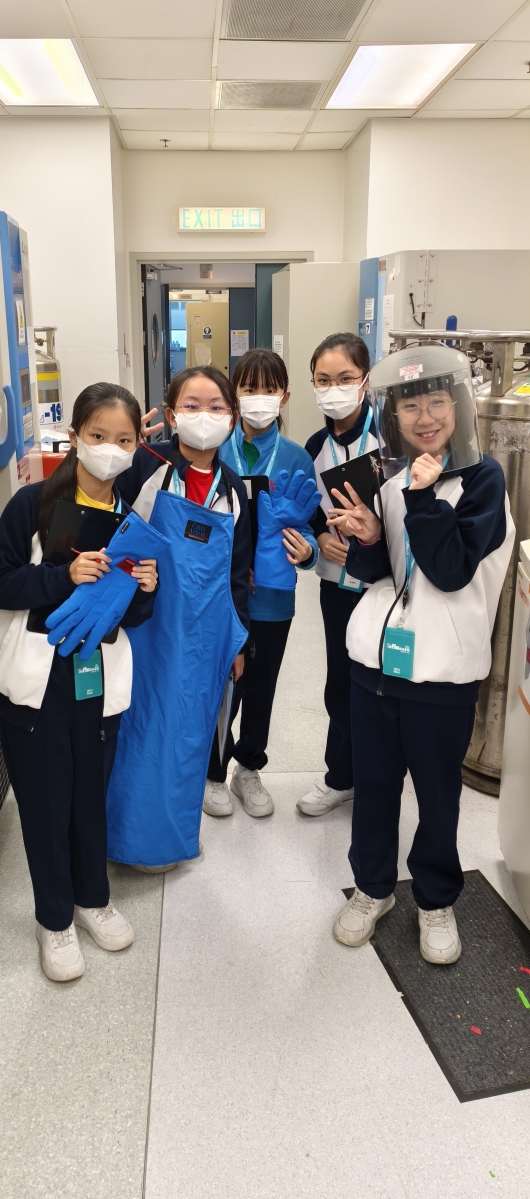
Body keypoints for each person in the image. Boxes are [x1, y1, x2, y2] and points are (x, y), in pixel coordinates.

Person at [329, 343, 514, 964]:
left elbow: (451, 570)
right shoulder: (391, 477)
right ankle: (372, 888)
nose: (425, 417)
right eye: (411, 407)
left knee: (437, 797)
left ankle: (435, 900)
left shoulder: (484, 480)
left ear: (458, 407)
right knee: (374, 788)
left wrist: (423, 498)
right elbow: (381, 571)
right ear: (394, 415)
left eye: (437, 402)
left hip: (441, 675)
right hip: (376, 666)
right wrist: (367, 538)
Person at [0, 383, 159, 983]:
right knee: (45, 803)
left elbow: (133, 616)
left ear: (136, 446)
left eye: (124, 440)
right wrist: (63, 576)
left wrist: (146, 590)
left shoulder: (132, 519)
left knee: (89, 797)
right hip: (37, 684)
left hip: (96, 680)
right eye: (98, 435)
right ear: (75, 435)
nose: (110, 449)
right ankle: (54, 920)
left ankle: (92, 900)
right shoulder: (32, 505)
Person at [110, 365, 251, 871]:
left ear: (232, 418)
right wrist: (121, 447)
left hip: (203, 635)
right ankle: (123, 837)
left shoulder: (233, 490)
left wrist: (238, 642)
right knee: (136, 727)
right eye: (191, 406)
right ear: (171, 415)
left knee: (188, 733)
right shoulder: (143, 467)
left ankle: (169, 839)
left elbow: (238, 573)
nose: (203, 416)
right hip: (143, 623)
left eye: (216, 406)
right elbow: (98, 512)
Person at [203, 347, 318, 819]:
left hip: (272, 598)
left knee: (261, 686)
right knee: (220, 681)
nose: (259, 397)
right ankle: (212, 770)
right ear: (234, 394)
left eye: (269, 389)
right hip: (220, 594)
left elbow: (310, 527)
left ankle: (248, 768)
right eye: (249, 388)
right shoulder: (215, 450)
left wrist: (307, 551)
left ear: (284, 397)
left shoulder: (296, 457)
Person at [297, 333, 378, 818]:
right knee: (340, 683)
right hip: (336, 586)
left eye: (345, 378)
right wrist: (318, 537)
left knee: (378, 686)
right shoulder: (315, 446)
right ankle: (340, 778)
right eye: (324, 380)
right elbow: (307, 509)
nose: (335, 389)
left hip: (384, 587)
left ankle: (377, 781)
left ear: (365, 380)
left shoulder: (390, 440)